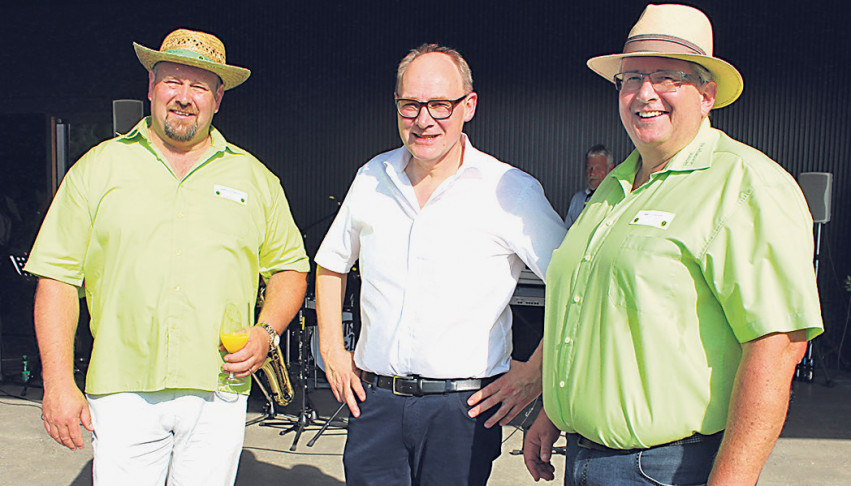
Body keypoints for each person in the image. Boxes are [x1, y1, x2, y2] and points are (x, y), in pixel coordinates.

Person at [524, 5, 824, 486]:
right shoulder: (616, 185)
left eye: (667, 78)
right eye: (631, 77)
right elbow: (592, 312)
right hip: (584, 458)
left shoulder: (746, 186)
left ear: (707, 95)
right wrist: (555, 413)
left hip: (665, 469)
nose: (645, 94)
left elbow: (777, 346)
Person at [24, 29, 309, 485]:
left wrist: (266, 331)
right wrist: (58, 383)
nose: (184, 97)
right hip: (122, 391)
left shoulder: (254, 178)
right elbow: (56, 280)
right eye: (173, 82)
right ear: (151, 88)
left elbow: (290, 267)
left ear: (218, 98)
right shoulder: (98, 169)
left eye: (199, 86)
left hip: (219, 389)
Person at [314, 44, 566, 485]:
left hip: (463, 411)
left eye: (440, 105)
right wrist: (332, 350)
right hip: (376, 403)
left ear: (468, 106)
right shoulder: (371, 177)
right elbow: (331, 265)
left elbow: (575, 286)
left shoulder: (510, 190)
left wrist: (537, 371)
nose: (424, 120)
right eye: (410, 105)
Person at [564, 144, 614, 227]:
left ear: (610, 169)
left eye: (598, 168)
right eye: (589, 168)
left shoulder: (616, 199)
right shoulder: (578, 199)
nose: (592, 173)